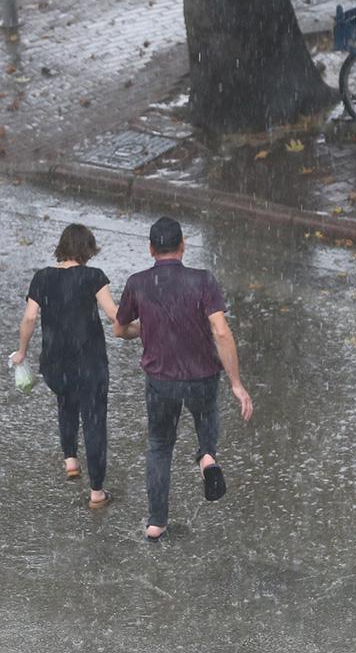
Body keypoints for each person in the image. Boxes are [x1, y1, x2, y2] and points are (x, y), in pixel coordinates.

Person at [114, 217, 253, 541]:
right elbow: (220, 331)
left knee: (160, 446)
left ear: (151, 249)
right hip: (202, 376)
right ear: (182, 245)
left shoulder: (138, 283)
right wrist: (236, 384)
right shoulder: (203, 281)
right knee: (207, 424)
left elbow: (120, 329)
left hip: (161, 381)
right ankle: (206, 458)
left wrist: (144, 328)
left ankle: (156, 522)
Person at [11, 224, 138, 510]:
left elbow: (30, 318)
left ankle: (70, 458)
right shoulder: (93, 277)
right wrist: (144, 324)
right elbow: (114, 315)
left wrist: (22, 351)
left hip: (55, 364)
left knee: (65, 403)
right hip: (90, 363)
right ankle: (96, 492)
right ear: (88, 249)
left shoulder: (42, 278)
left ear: (62, 247)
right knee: (94, 422)